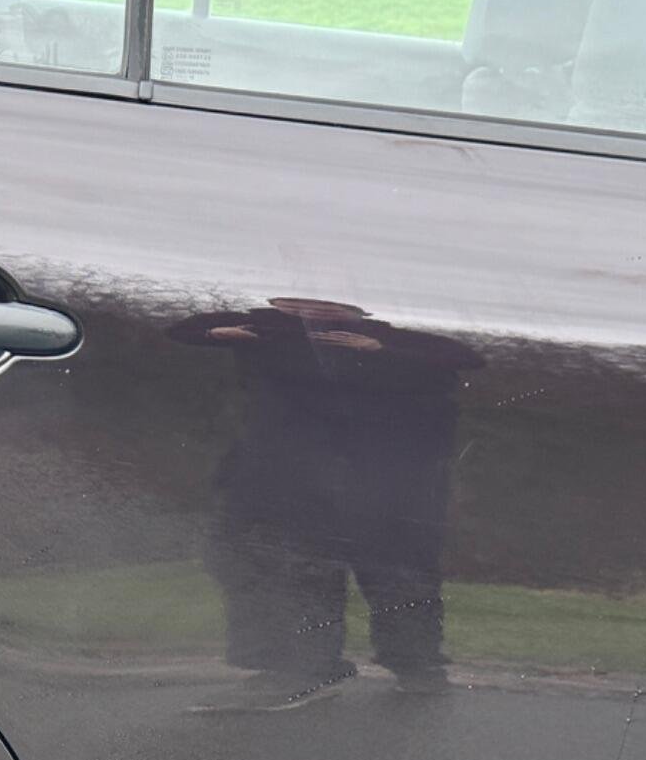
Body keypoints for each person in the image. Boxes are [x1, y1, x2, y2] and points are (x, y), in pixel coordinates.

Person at [171, 298, 482, 711]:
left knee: (395, 575)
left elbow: (462, 357)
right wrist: (228, 332)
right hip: (287, 480)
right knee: (283, 568)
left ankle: (416, 666)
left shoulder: (391, 340)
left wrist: (383, 350)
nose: (313, 308)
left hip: (384, 483)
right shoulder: (268, 332)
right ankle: (299, 669)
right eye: (298, 301)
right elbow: (187, 330)